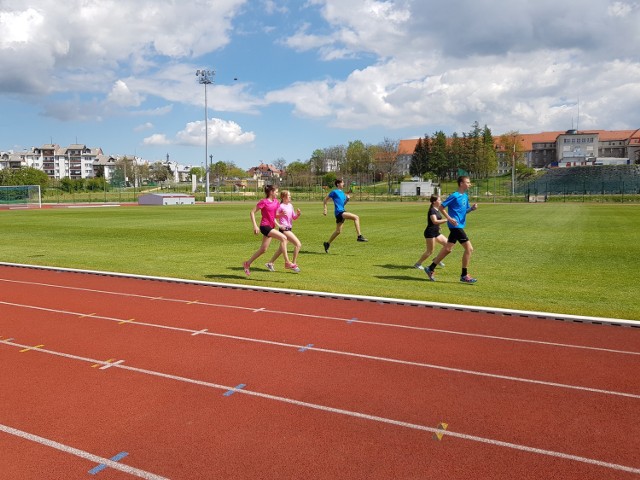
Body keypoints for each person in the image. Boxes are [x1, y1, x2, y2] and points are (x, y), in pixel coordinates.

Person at [425, 176, 478, 283]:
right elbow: (441, 207)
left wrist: (471, 209)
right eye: (467, 182)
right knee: (469, 249)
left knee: (448, 249)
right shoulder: (454, 195)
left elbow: (465, 211)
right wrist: (449, 219)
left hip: (459, 225)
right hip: (455, 226)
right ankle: (464, 275)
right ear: (461, 183)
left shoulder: (465, 196)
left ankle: (430, 268)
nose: (469, 184)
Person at [243, 185, 299, 276]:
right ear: (271, 192)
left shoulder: (276, 202)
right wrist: (255, 226)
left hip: (271, 226)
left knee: (263, 249)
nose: (277, 193)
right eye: (276, 192)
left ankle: (247, 263)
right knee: (284, 238)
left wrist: (280, 217)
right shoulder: (263, 202)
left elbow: (274, 216)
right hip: (264, 226)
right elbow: (252, 212)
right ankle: (287, 262)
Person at [322, 178, 367, 253]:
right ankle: (359, 236)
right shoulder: (334, 192)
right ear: (338, 184)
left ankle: (327, 243)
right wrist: (325, 209)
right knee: (356, 217)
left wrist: (347, 200)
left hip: (341, 211)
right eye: (342, 183)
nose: (343, 184)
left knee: (338, 231)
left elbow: (342, 204)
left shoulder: (343, 193)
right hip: (339, 212)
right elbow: (325, 200)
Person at [265, 190, 302, 271]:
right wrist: (280, 224)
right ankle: (293, 264)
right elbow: (274, 216)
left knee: (281, 249)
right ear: (283, 197)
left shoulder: (290, 206)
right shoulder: (280, 206)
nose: (290, 197)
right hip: (284, 230)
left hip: (289, 228)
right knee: (298, 244)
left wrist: (298, 215)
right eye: (288, 196)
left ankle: (270, 263)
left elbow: (294, 217)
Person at [414, 194, 447, 270]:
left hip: (436, 232)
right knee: (430, 251)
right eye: (439, 200)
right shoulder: (432, 210)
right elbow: (434, 221)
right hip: (430, 233)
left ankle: (437, 259)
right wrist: (447, 220)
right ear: (434, 202)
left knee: (448, 245)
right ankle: (418, 264)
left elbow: (436, 222)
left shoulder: (437, 209)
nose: (440, 201)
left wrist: (439, 226)